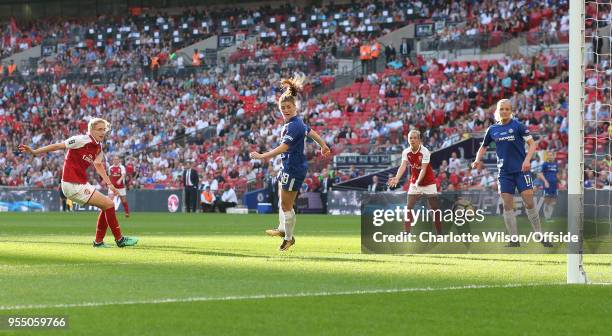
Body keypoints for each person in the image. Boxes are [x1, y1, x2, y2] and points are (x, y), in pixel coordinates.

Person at [18, 118, 138, 248]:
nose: (103, 132)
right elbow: (58, 146)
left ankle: (99, 242)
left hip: (80, 183)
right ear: (91, 130)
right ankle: (119, 240)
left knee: (107, 205)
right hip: (71, 183)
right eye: (99, 129)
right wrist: (35, 152)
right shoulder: (81, 140)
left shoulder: (98, 146)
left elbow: (98, 165)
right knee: (109, 205)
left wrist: (110, 184)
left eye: (104, 129)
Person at [250, 75, 331, 251]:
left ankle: (288, 238)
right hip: (288, 167)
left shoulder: (294, 125)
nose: (285, 110)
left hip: (293, 168)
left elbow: (283, 147)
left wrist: (262, 156)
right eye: (283, 107)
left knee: (286, 205)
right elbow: (311, 132)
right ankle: (283, 230)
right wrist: (323, 144)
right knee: (283, 202)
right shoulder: (296, 123)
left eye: (288, 107)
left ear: (295, 107)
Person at [472, 99, 552, 247]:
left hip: (522, 171)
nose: (504, 111)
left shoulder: (518, 126)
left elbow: (532, 144)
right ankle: (514, 239)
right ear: (497, 111)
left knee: (529, 202)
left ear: (511, 111)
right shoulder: (492, 130)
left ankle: (539, 235)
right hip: (504, 173)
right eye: (502, 109)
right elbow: (483, 147)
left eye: (507, 109)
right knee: (507, 206)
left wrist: (527, 160)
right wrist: (477, 160)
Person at [388, 130, 442, 234]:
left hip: (429, 182)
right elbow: (403, 166)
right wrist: (397, 178)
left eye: (414, 138)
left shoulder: (425, 151)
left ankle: (439, 233)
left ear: (419, 140)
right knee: (408, 207)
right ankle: (406, 233)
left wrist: (418, 184)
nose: (412, 140)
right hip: (414, 182)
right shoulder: (406, 152)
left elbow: (423, 169)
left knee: (434, 208)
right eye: (410, 138)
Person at [537, 150, 558, 221]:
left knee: (553, 202)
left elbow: (557, 174)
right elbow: (540, 174)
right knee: (547, 201)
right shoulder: (545, 164)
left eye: (551, 155)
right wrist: (545, 182)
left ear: (553, 156)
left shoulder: (556, 164)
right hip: (547, 185)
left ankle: (549, 217)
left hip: (554, 185)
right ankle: (547, 217)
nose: (550, 156)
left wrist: (559, 181)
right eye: (548, 155)